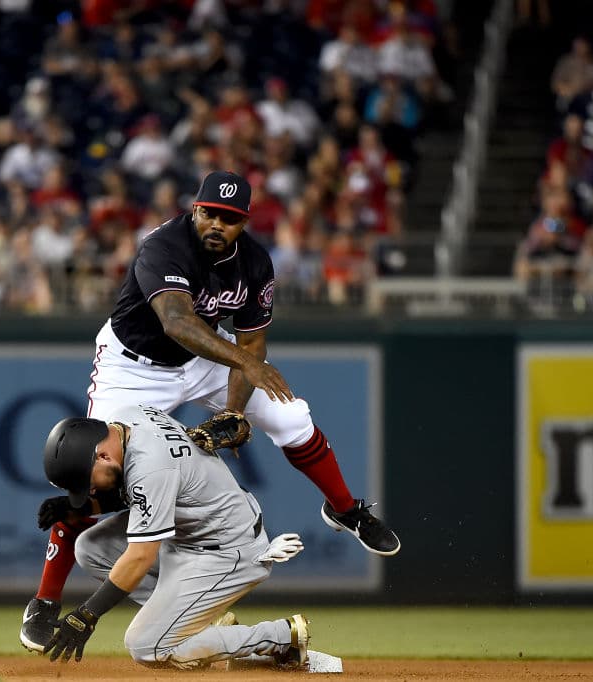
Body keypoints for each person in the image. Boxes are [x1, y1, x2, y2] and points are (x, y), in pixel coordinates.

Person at [20, 170, 400, 652]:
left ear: (244, 222)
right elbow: (177, 322)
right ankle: (45, 601)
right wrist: (246, 363)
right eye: (211, 213)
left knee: (291, 418)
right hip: (133, 365)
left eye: (230, 218)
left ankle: (345, 510)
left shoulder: (255, 263)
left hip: (205, 358)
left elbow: (252, 342)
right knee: (93, 466)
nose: (218, 224)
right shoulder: (164, 246)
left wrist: (234, 413)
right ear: (195, 209)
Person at [38, 406, 310, 669]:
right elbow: (143, 488)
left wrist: (87, 615)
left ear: (103, 456)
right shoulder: (127, 417)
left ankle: (283, 637)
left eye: (87, 483)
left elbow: (140, 556)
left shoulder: (152, 467)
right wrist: (82, 507)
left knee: (147, 647)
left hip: (227, 551)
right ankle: (188, 621)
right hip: (191, 532)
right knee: (91, 547)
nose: (90, 491)